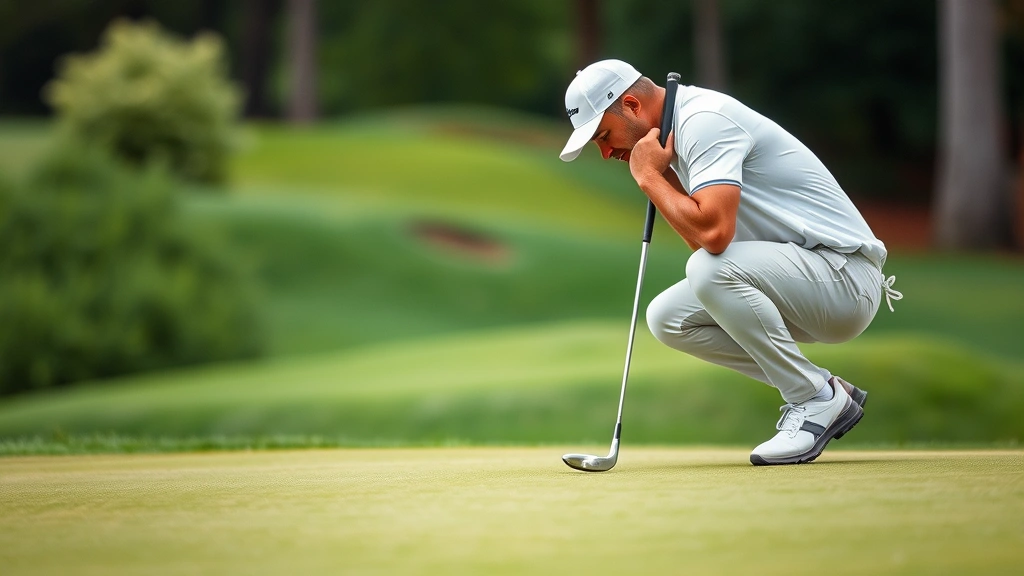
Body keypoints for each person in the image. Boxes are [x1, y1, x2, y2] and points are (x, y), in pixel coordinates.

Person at [558, 59, 902, 466]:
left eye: (603, 136)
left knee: (708, 268)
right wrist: (663, 178)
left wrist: (649, 178)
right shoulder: (676, 134)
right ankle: (821, 390)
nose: (604, 153)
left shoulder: (703, 120)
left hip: (844, 279)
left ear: (631, 105)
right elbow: (701, 241)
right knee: (667, 317)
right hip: (807, 278)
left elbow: (714, 237)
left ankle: (812, 401)